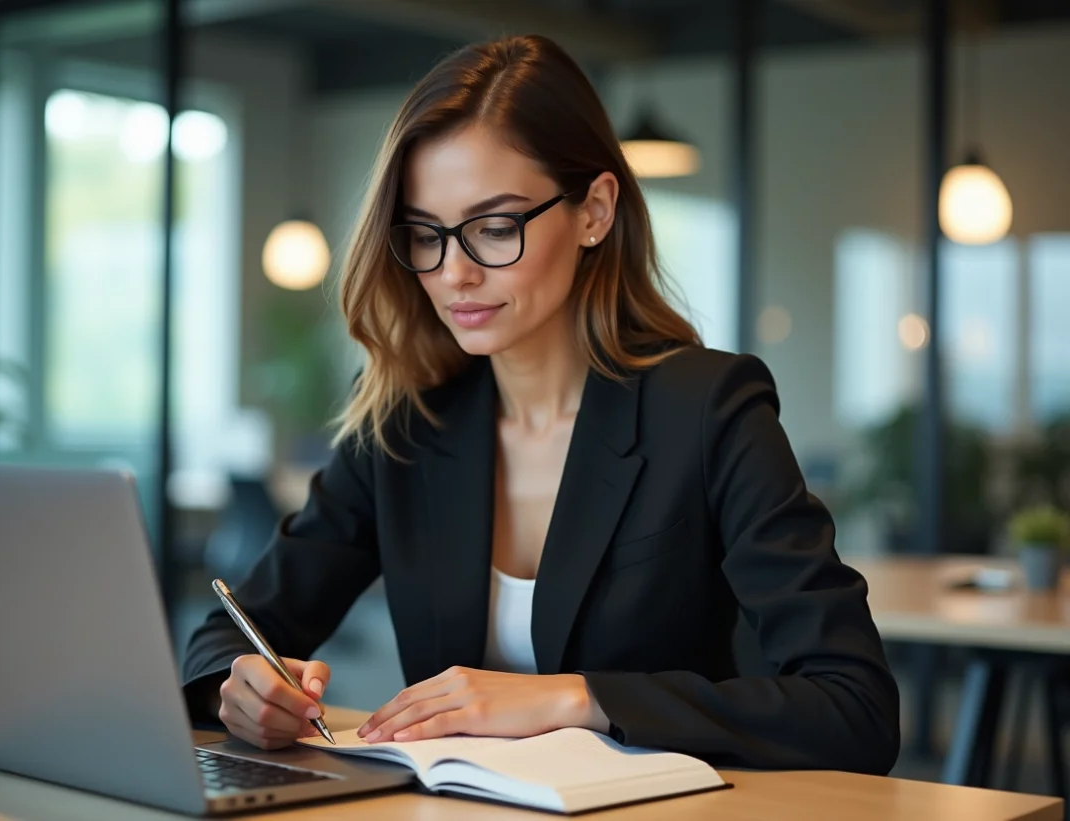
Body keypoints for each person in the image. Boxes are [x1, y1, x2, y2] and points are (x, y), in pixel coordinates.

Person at [181, 33, 900, 775]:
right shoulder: (407, 425)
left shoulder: (709, 410)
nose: (454, 273)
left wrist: (573, 698)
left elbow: (855, 708)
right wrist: (239, 687)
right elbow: (228, 631)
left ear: (594, 210)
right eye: (426, 235)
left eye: (494, 228)